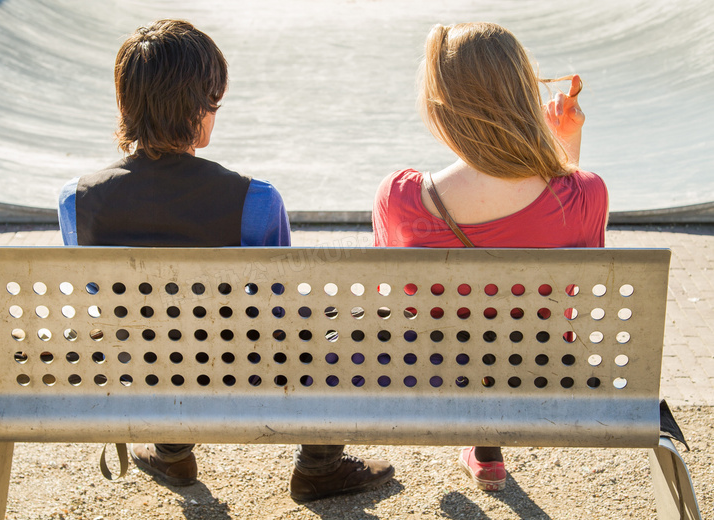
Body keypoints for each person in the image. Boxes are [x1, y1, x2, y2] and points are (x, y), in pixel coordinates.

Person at [57, 19, 394, 502]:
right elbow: (285, 308)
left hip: (144, 371)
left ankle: (171, 452)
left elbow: (107, 305)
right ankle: (320, 465)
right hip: (245, 370)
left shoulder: (75, 200)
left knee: (155, 329)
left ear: (125, 102)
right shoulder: (255, 200)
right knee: (335, 322)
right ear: (201, 106)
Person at [372, 22, 608, 491]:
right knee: (506, 322)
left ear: (443, 109)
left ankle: (483, 445)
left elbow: (390, 300)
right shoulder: (586, 194)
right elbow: (569, 291)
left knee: (462, 324)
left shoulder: (400, 198)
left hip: (429, 379)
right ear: (522, 96)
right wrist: (564, 146)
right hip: (540, 375)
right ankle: (487, 447)